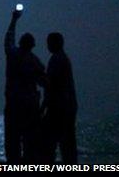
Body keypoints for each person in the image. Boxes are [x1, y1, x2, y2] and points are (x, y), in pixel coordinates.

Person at [3, 8, 47, 163]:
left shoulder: (13, 55)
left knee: (12, 139)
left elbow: (8, 39)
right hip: (30, 105)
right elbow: (44, 83)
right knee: (30, 140)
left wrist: (14, 20)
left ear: (21, 43)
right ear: (32, 45)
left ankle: (14, 163)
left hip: (14, 103)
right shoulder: (35, 61)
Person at [40, 32, 77, 163]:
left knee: (50, 140)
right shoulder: (63, 58)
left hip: (59, 107)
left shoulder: (56, 60)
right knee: (67, 141)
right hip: (67, 106)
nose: (48, 45)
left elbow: (51, 86)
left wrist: (43, 107)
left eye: (49, 42)